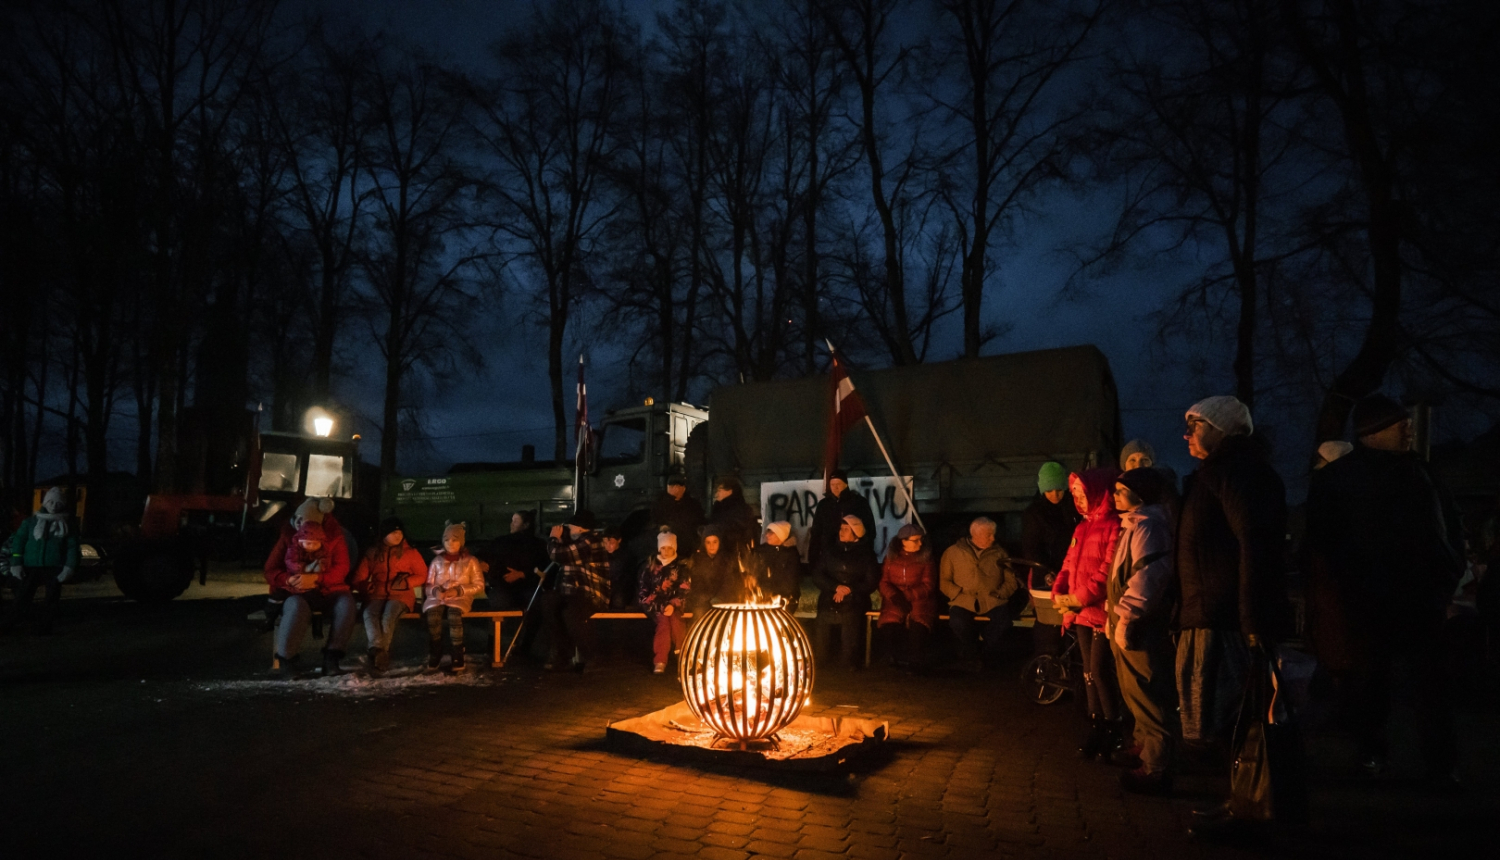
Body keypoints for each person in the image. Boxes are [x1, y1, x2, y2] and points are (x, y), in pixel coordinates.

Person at [1304, 394, 1464, 789]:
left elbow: (1449, 534)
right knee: (1373, 685)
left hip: (1417, 600)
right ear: (1372, 431)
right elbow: (1322, 545)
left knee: (1429, 687)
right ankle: (1374, 755)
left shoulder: (1422, 474)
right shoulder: (1340, 481)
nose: (1408, 428)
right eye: (1398, 423)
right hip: (1368, 601)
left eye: (1408, 423)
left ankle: (1437, 765)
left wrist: (1443, 581)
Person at [1174, 396, 1294, 838]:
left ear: (1222, 430)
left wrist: (1252, 618)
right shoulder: (1216, 474)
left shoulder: (1241, 474)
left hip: (1227, 618)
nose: (1186, 435)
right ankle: (1241, 800)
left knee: (1236, 718)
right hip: (1210, 614)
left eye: (1196, 426)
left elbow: (1256, 546)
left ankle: (1253, 809)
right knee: (1223, 721)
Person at [1107, 468, 1180, 795]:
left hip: (1141, 625)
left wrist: (1127, 617)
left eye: (1122, 491)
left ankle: (1156, 765)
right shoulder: (1135, 524)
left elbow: (1148, 577)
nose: (1115, 496)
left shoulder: (1149, 527)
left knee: (1148, 691)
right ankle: (1141, 744)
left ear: (1140, 495)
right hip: (1127, 621)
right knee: (1133, 689)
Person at [1052, 468, 1125, 758]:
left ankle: (1113, 726)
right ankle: (1097, 725)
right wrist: (1059, 592)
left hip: (1099, 610)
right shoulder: (1081, 528)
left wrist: (1080, 598)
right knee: (1087, 671)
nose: (1079, 500)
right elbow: (1069, 564)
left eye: (1084, 494)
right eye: (1076, 495)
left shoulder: (1113, 525)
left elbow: (1107, 570)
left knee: (1100, 670)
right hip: (1080, 611)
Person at [264, 498, 356, 677]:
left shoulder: (335, 537)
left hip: (329, 588)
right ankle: (287, 661)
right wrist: (288, 580)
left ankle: (332, 658)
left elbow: (341, 567)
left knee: (346, 604)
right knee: (296, 607)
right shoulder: (287, 535)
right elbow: (270, 569)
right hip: (296, 591)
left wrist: (316, 579)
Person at [350, 517, 429, 677]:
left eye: (400, 532)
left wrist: (406, 582)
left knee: (389, 615)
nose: (398, 536)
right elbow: (359, 578)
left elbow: (422, 574)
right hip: (377, 593)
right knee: (369, 613)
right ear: (384, 534)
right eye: (393, 533)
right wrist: (365, 586)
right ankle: (379, 652)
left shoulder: (410, 553)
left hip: (401, 595)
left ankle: (377, 653)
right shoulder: (373, 553)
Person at [939, 516, 1018, 671]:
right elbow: (944, 581)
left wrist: (1001, 594)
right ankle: (972, 652)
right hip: (964, 600)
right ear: (975, 535)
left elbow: (1011, 581)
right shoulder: (953, 553)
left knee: (1003, 622)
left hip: (992, 600)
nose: (993, 538)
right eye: (988, 535)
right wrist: (957, 594)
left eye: (993, 534)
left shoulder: (1000, 553)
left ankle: (984, 652)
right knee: (958, 622)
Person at [1021, 462, 1082, 656]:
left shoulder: (1073, 509)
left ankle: (1071, 664)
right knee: (1049, 625)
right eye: (1050, 490)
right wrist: (1046, 573)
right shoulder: (1034, 513)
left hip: (1072, 574)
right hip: (1046, 576)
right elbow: (1030, 548)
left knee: (1071, 622)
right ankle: (1049, 664)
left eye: (1059, 489)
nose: (1055, 495)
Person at [3, 487, 80, 635]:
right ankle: (11, 622)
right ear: (44, 502)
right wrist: (16, 562)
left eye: (58, 503)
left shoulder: (68, 525)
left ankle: (45, 626)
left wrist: (69, 567)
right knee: (23, 596)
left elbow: (72, 547)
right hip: (31, 565)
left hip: (54, 566)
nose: (53, 506)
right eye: (50, 502)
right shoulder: (30, 522)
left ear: (62, 504)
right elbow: (19, 541)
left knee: (51, 598)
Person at [544, 510, 611, 672]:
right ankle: (561, 653)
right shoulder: (577, 541)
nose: (568, 530)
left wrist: (553, 538)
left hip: (591, 593)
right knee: (548, 602)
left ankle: (590, 656)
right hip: (571, 592)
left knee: (571, 614)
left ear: (581, 529)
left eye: (570, 527)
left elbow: (558, 554)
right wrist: (560, 539)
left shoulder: (591, 541)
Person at [811, 515, 880, 669]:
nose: (841, 532)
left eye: (846, 529)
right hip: (831, 594)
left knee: (851, 619)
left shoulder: (866, 555)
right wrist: (835, 587)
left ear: (856, 533)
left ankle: (849, 661)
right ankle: (820, 659)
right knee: (823, 618)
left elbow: (871, 581)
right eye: (841, 529)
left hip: (855, 597)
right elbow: (818, 574)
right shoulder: (830, 551)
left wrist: (850, 589)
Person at [422, 522, 486, 673]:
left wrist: (459, 591)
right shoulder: (437, 561)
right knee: (433, 616)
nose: (450, 543)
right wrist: (436, 591)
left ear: (461, 542)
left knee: (454, 615)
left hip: (460, 598)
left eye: (455, 539)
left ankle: (457, 652)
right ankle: (435, 651)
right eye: (447, 539)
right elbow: (429, 584)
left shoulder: (471, 561)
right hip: (438, 597)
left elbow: (479, 585)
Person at [875, 524, 938, 668]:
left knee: (918, 627)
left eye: (920, 539)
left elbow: (928, 584)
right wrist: (894, 597)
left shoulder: (926, 559)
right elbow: (884, 582)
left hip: (919, 600)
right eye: (916, 540)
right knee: (890, 625)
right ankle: (893, 657)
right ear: (904, 541)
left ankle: (915, 660)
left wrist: (906, 596)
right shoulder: (891, 558)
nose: (920, 543)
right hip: (895, 600)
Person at [637, 529, 690, 673]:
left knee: (676, 621)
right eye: (663, 548)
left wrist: (674, 604)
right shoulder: (650, 566)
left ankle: (683, 654)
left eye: (669, 548)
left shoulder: (680, 567)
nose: (666, 552)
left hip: (674, 606)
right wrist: (660, 605)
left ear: (674, 548)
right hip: (655, 606)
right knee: (664, 624)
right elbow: (643, 593)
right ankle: (660, 659)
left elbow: (684, 589)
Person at [807, 469, 875, 569]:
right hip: (829, 555)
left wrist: (866, 553)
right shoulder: (824, 505)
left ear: (846, 484)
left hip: (853, 555)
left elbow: (869, 529)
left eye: (838, 483)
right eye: (832, 484)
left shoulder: (859, 502)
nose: (835, 487)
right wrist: (812, 558)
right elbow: (816, 532)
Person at [485, 511, 548, 610]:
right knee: (499, 600)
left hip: (528, 586)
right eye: (512, 521)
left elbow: (544, 567)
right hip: (503, 585)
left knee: (536, 599)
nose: (511, 524)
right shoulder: (501, 542)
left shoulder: (538, 545)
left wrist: (522, 574)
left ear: (526, 525)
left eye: (515, 521)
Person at [684, 524, 740, 615]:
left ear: (719, 542)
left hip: (723, 600)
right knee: (700, 613)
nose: (711, 546)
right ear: (704, 543)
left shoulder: (726, 560)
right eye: (708, 542)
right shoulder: (698, 560)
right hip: (703, 601)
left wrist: (720, 597)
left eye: (715, 542)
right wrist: (705, 598)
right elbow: (697, 583)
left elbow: (729, 582)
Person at [748, 521, 803, 608]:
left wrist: (766, 589)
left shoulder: (791, 554)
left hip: (785, 599)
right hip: (761, 596)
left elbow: (789, 584)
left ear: (780, 535)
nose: (767, 535)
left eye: (771, 533)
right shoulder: (761, 551)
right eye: (767, 532)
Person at [651, 475, 706, 556]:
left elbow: (700, 523)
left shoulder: (693, 504)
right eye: (672, 486)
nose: (675, 489)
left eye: (678, 486)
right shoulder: (660, 504)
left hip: (688, 548)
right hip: (668, 550)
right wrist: (661, 527)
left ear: (684, 488)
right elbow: (653, 522)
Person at [708, 476, 758, 553]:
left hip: (734, 553)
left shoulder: (741, 510)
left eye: (719, 490)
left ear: (730, 491)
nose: (716, 494)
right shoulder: (719, 508)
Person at [602, 527, 633, 609]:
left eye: (611, 543)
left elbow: (628, 577)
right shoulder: (601, 555)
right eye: (605, 543)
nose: (608, 546)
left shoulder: (626, 556)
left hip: (619, 591)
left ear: (619, 540)